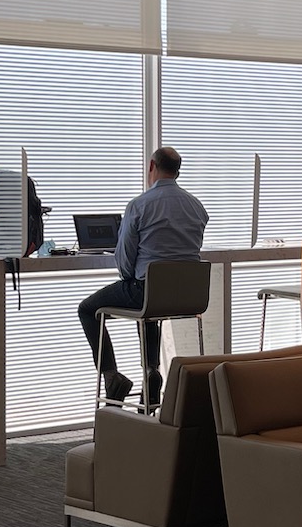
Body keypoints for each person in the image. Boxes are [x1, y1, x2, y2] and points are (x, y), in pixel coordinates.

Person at [79, 146, 208, 406]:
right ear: (178, 171)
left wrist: (130, 275)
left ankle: (111, 375)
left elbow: (124, 260)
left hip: (149, 291)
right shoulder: (197, 206)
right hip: (188, 297)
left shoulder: (139, 205)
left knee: (88, 308)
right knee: (151, 308)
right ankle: (151, 371)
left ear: (152, 167)